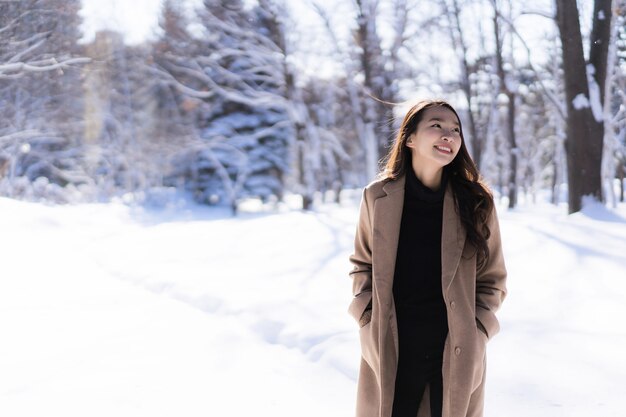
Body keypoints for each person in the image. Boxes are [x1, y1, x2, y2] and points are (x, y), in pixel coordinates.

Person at [348, 99, 507, 417]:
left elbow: (493, 279)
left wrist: (478, 330)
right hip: (392, 344)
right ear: (409, 138)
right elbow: (362, 265)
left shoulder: (477, 203)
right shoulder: (378, 197)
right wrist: (366, 319)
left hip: (453, 348)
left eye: (456, 130)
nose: (449, 135)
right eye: (437, 125)